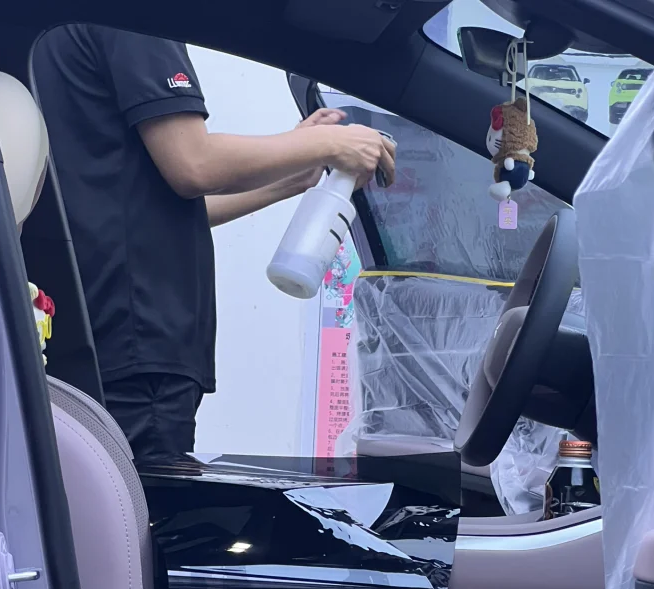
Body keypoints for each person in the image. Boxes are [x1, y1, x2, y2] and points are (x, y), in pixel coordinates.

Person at [34, 25, 395, 461]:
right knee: (138, 499)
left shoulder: (56, 31)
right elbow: (193, 165)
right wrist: (327, 142)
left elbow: (171, 208)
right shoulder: (134, 21)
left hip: (88, 335)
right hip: (137, 347)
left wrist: (293, 175)